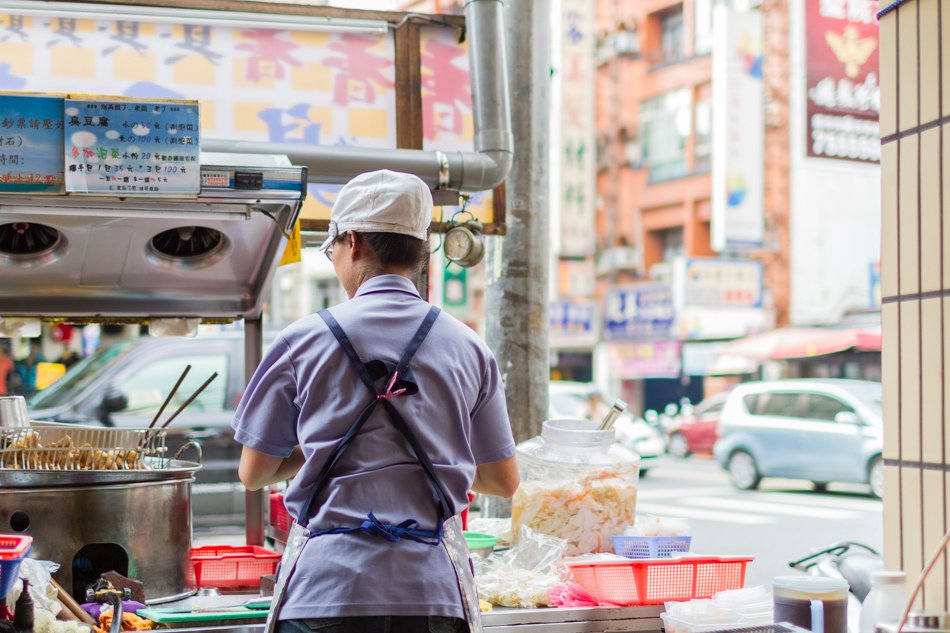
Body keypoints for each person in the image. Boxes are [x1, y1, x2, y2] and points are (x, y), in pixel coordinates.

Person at [231, 169, 520, 633]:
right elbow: (502, 481)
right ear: (421, 252)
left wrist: (325, 445)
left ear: (353, 242)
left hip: (324, 594)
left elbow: (255, 472)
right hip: (432, 596)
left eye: (333, 251)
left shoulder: (301, 340)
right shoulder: (468, 347)